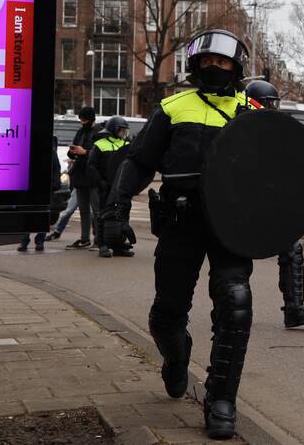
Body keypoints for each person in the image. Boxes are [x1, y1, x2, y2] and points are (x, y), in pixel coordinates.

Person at [103, 28, 259, 439]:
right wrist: (115, 210)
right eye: (207, 61)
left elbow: (277, 173)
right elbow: (137, 162)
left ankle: (221, 397)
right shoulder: (172, 108)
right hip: (181, 222)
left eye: (222, 61)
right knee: (166, 314)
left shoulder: (254, 113)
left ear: (236, 66)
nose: (214, 67)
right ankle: (176, 357)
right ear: (195, 65)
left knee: (235, 302)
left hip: (231, 226)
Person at [244, 80, 304, 330]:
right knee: (234, 261)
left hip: (270, 202)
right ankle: (233, 309)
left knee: (291, 249)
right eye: (267, 103)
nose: (271, 107)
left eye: (273, 103)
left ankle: (294, 308)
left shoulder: (279, 131)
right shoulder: (239, 126)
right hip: (239, 204)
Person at [87, 116, 132, 258]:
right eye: (121, 130)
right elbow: (91, 166)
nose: (123, 133)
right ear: (114, 129)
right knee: (103, 216)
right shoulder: (100, 144)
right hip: (106, 187)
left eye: (125, 131)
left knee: (122, 215)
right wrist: (101, 182)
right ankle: (103, 245)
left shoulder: (126, 144)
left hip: (122, 187)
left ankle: (119, 245)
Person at [66, 106, 99, 250]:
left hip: (92, 176)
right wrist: (72, 151)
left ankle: (98, 239)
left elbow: (99, 152)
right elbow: (74, 151)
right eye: (81, 119)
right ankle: (85, 238)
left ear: (91, 119)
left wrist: (84, 152)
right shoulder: (80, 131)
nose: (82, 122)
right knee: (83, 210)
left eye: (85, 119)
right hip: (80, 175)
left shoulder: (98, 132)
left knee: (96, 210)